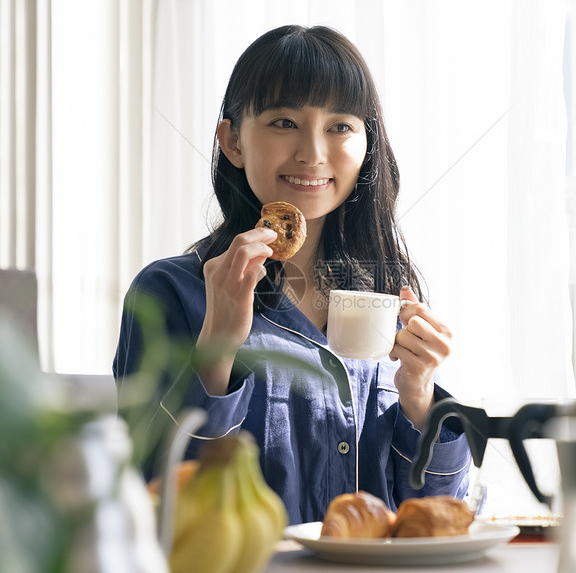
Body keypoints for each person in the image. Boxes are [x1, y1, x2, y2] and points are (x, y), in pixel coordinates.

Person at [114, 24, 471, 525]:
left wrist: (421, 403)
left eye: (340, 126)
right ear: (232, 141)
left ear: (367, 142)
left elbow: (443, 517)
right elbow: (148, 503)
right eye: (284, 122)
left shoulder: (385, 299)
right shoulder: (169, 293)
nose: (313, 153)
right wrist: (217, 345)